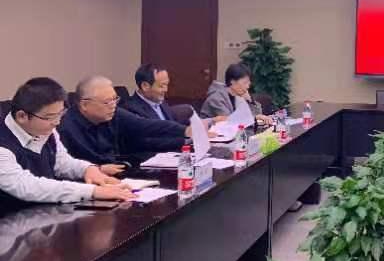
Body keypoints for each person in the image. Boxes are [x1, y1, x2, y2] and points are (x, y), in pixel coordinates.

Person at [0, 77, 135, 213]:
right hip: (10, 218)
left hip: (43, 213)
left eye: (60, 114)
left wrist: (88, 169)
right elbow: (27, 187)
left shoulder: (46, 129)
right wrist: (92, 191)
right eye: (50, 117)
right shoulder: (3, 146)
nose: (57, 122)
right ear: (22, 116)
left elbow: (62, 163)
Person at [59, 76, 189, 168]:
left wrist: (184, 130)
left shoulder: (113, 113)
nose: (113, 106)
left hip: (117, 173)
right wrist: (99, 169)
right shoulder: (66, 128)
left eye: (115, 99)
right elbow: (65, 167)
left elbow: (144, 125)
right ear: (84, 105)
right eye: (107, 102)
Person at [200, 63, 271, 124]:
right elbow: (230, 121)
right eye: (245, 82)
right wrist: (254, 118)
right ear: (233, 82)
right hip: (210, 134)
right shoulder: (216, 98)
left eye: (248, 83)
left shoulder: (237, 95)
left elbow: (257, 115)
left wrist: (251, 101)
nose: (248, 86)